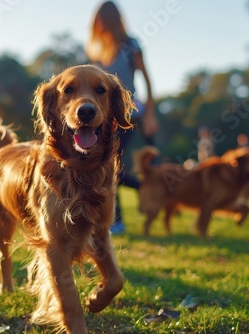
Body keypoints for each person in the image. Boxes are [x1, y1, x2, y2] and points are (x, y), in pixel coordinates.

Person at [86, 1, 158, 234]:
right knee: (102, 164)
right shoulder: (96, 49)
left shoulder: (130, 44)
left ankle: (116, 221)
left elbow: (147, 79)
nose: (99, 24)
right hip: (103, 116)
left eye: (103, 20)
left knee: (110, 163)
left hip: (129, 113)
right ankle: (147, 186)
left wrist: (150, 115)